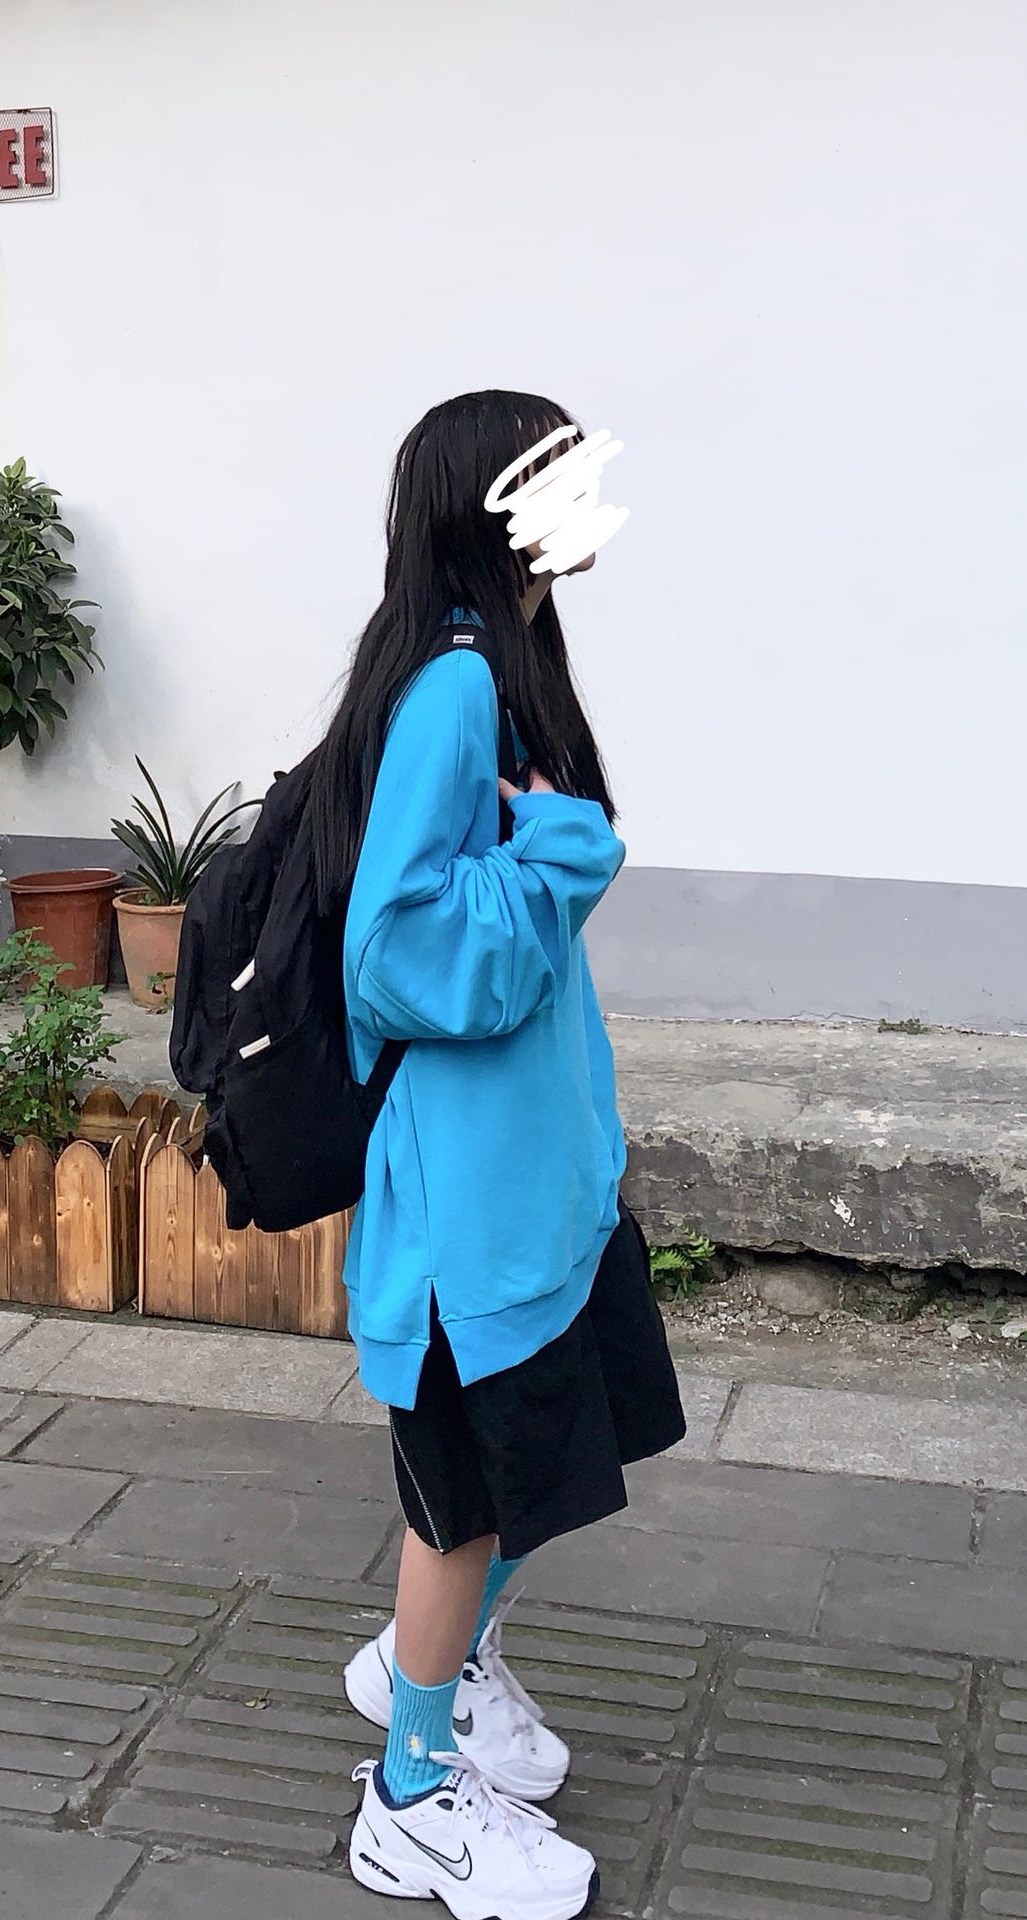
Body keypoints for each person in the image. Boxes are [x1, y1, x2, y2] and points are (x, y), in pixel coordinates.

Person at [311, 390, 687, 1920]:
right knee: (462, 1505)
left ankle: (440, 1669)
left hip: (536, 1179)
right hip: (468, 1205)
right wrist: (566, 856)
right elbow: (393, 953)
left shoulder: (497, 669)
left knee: (547, 1463)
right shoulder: (453, 688)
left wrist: (548, 857)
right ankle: (409, 1791)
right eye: (557, 473)